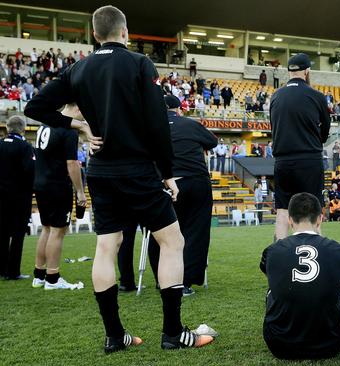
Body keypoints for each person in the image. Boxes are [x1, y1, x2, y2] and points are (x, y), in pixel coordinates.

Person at [23, 5, 214, 353]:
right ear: (125, 32)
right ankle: (173, 333)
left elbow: (33, 108)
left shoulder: (78, 68)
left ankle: (115, 335)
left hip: (101, 173)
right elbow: (158, 123)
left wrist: (78, 125)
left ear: (94, 35)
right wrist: (167, 174)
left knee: (106, 247)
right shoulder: (140, 64)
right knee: (173, 242)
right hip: (139, 170)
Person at [259, 193, 340, 359]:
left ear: (290, 220)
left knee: (272, 290)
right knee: (338, 289)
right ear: (320, 219)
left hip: (279, 345)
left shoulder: (271, 251)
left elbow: (271, 275)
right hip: (330, 344)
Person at [154, 95, 218, 295]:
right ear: (179, 110)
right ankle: (186, 282)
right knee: (195, 232)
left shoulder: (152, 126)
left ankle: (163, 278)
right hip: (196, 181)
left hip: (166, 182)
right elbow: (212, 142)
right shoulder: (190, 124)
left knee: (162, 232)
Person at [269, 53, 330, 240]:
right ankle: (318, 256)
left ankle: (279, 255)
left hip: (283, 161)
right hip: (309, 159)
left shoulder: (275, 96)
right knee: (314, 209)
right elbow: (325, 132)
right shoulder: (317, 96)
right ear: (307, 71)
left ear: (289, 72)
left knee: (282, 211)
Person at [31, 104, 86, 290]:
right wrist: (80, 191)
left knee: (46, 229)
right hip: (57, 185)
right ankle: (52, 278)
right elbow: (72, 163)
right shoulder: (68, 129)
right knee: (57, 231)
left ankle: (39, 275)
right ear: (77, 108)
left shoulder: (46, 123)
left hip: (41, 183)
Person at [0, 116, 34, 280]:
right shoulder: (25, 147)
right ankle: (13, 271)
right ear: (22, 129)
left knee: (2, 233)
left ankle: (1, 269)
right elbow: (30, 172)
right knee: (18, 234)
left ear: (7, 128)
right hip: (19, 197)